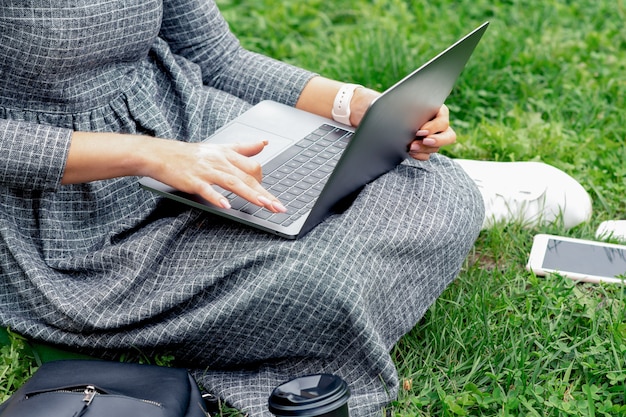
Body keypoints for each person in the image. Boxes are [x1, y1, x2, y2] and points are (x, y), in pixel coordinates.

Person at [0, 1, 484, 416]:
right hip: (65, 207)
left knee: (440, 187)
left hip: (189, 126)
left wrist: (353, 105)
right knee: (324, 281)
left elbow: (219, 57)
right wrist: (150, 155)